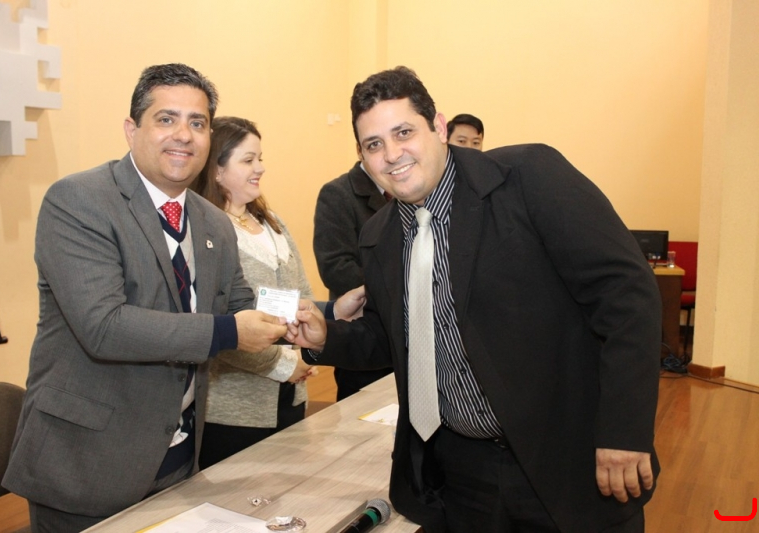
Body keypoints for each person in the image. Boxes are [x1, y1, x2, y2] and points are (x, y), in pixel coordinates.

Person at [288, 67, 661, 533]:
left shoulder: (528, 177)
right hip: (463, 477)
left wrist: (624, 430)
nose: (392, 154)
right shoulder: (379, 237)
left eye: (403, 133)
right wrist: (327, 337)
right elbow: (394, 339)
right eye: (374, 144)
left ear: (438, 127)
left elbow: (627, 295)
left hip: (568, 459)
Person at [1, 64, 291, 532]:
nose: (184, 135)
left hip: (178, 457)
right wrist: (227, 331)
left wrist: (317, 315)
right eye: (166, 119)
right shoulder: (78, 201)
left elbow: (240, 304)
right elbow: (104, 327)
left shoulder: (213, 222)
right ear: (131, 129)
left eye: (197, 123)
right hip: (89, 464)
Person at [193, 117, 316, 467]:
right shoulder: (206, 231)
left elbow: (302, 295)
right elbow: (218, 325)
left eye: (259, 158)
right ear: (217, 170)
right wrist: (283, 365)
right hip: (234, 410)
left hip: (291, 392)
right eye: (248, 160)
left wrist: (306, 353)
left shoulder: (272, 222)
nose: (260, 168)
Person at [313, 161, 393, 400]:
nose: (389, 155)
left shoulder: (409, 186)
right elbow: (336, 267)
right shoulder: (338, 193)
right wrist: (398, 289)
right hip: (363, 327)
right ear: (360, 150)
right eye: (375, 145)